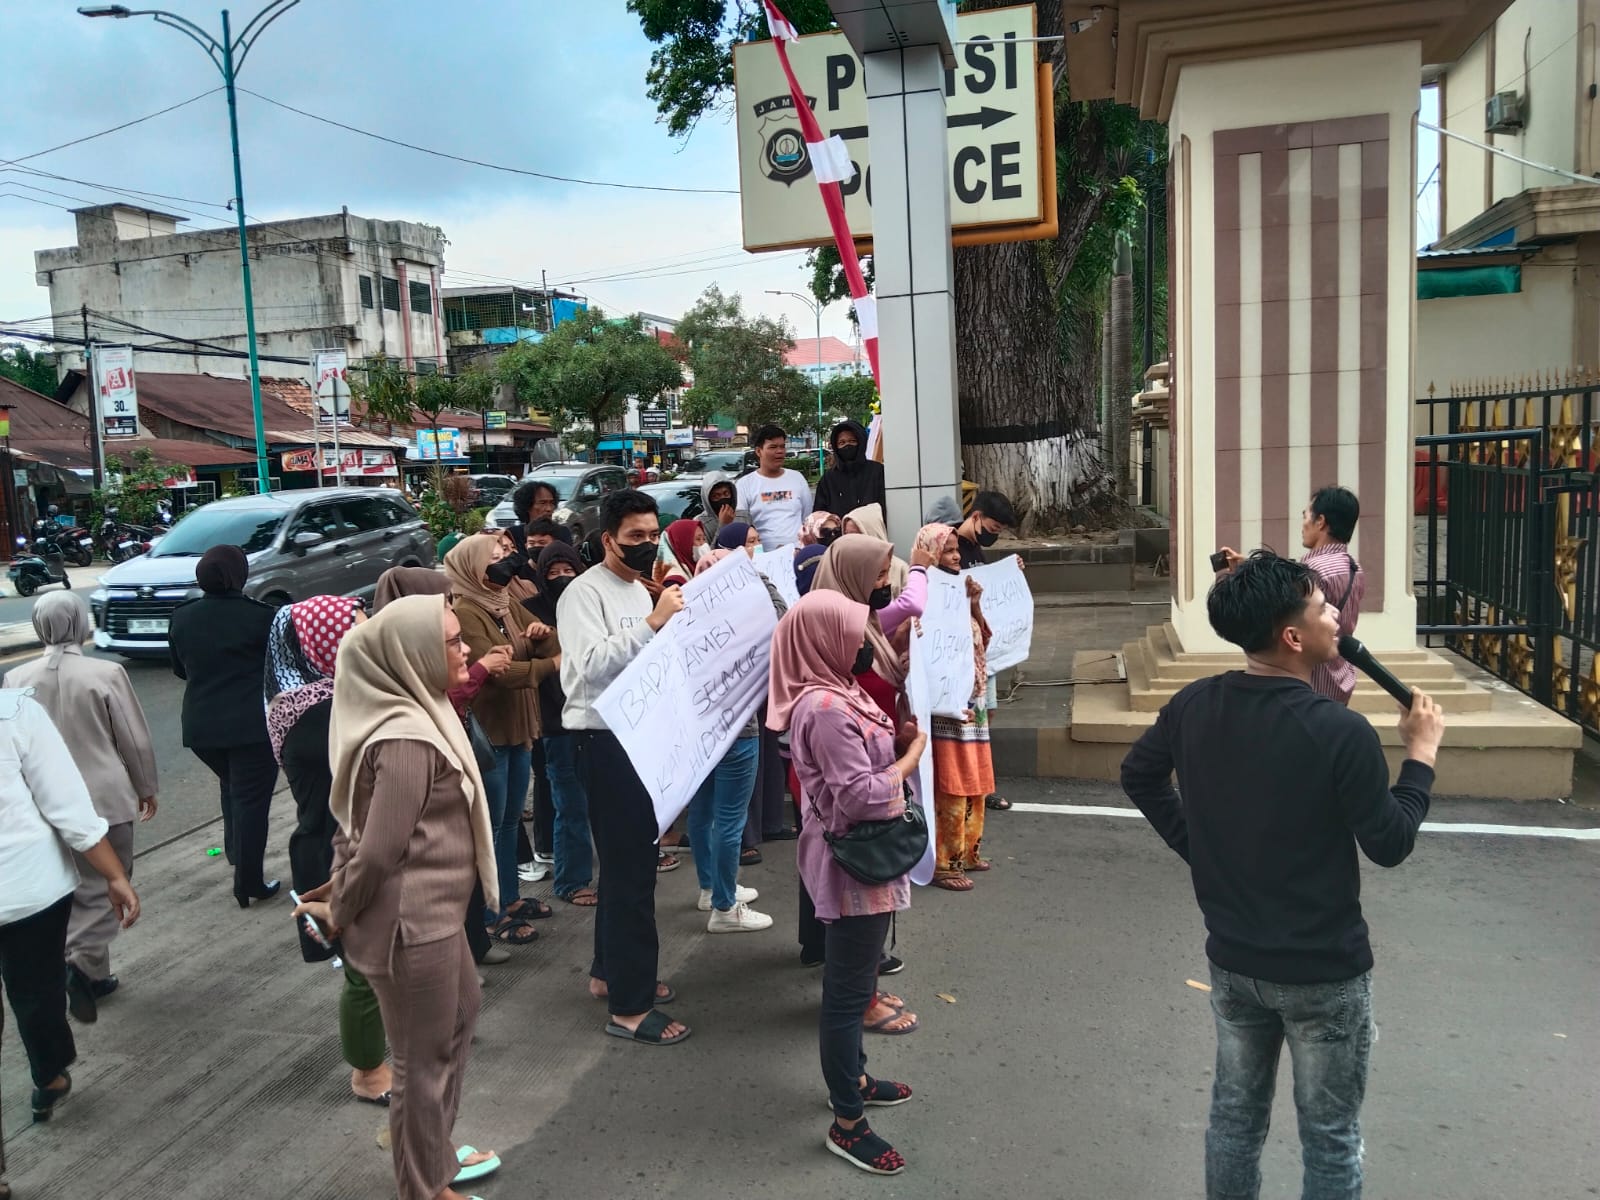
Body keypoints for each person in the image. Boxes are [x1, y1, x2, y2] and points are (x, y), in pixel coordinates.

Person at [1119, 550, 1444, 1200]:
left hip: (1235, 963)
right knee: (1330, 1137)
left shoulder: (1195, 705)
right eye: (1324, 608)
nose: (1336, 619)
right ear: (1293, 636)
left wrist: (1200, 849)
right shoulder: (1338, 732)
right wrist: (1421, 756)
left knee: (1234, 1122)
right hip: (1325, 972)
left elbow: (1139, 775)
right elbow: (1389, 841)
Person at [298, 593, 502, 1200]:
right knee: (422, 1061)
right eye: (452, 640)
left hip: (435, 913)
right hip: (413, 923)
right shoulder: (410, 738)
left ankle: (435, 1159)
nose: (465, 647)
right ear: (413, 656)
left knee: (460, 1019)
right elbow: (380, 850)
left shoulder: (423, 713)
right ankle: (424, 1186)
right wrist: (338, 909)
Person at [768, 590, 926, 1176]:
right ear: (826, 640)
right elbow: (861, 797)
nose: (866, 643)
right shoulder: (826, 709)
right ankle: (847, 1121)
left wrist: (896, 734)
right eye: (857, 633)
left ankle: (855, 1076)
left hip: (865, 859)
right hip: (853, 861)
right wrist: (910, 758)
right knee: (846, 994)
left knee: (856, 983)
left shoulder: (842, 689)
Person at [558, 488, 689, 1045]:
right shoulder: (582, 595)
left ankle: (609, 973)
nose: (646, 544)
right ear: (606, 539)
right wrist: (653, 624)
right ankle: (630, 1009)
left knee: (625, 866)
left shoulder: (641, 589)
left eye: (652, 533)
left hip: (640, 740)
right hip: (603, 742)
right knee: (633, 873)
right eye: (634, 536)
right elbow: (585, 669)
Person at [262, 594, 401, 1107]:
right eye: (355, 632)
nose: (367, 641)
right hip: (337, 859)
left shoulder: (324, 698)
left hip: (348, 847)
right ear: (322, 644)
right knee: (365, 972)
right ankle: (368, 1072)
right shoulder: (321, 715)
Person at [3, 593, 155, 1025]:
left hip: (43, 803)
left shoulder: (16, 679)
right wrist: (145, 787)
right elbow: (134, 739)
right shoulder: (106, 672)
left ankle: (94, 973)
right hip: (106, 798)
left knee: (69, 890)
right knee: (109, 884)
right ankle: (80, 966)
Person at [0, 688, 139, 1129]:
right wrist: (114, 875)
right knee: (35, 988)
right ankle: (49, 1072)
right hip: (26, 887)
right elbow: (67, 806)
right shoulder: (15, 712)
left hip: (27, 887)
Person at [373, 566, 518, 967]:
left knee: (465, 860)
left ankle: (475, 946)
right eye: (442, 600)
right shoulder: (395, 657)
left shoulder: (434, 637)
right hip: (428, 782)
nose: (450, 607)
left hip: (454, 763)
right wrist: (483, 669)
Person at [444, 536, 559, 944]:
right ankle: (490, 914)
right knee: (491, 826)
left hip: (517, 724)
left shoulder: (504, 599)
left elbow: (539, 645)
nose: (505, 563)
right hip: (489, 732)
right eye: (493, 559)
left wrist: (541, 638)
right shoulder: (465, 610)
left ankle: (508, 898)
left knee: (510, 821)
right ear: (472, 568)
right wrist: (548, 662)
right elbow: (499, 672)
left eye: (505, 555)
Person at [168, 544, 280, 908]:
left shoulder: (182, 616)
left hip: (201, 727)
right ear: (239, 575)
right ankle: (249, 883)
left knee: (231, 786)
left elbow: (179, 669)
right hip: (250, 728)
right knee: (251, 801)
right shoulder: (261, 617)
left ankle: (236, 853)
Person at [1221, 486, 1365, 706]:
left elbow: (1279, 611)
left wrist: (1243, 578)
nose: (1303, 524)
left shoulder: (1310, 572)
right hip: (1339, 675)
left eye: (1306, 515)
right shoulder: (1354, 567)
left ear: (1321, 522)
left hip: (1309, 679)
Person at [917, 525, 996, 891]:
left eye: (955, 550)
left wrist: (975, 605)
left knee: (975, 779)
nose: (955, 556)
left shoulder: (959, 591)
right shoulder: (922, 595)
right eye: (947, 550)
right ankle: (943, 863)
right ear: (929, 553)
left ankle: (967, 851)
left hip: (971, 700)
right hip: (945, 708)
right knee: (950, 783)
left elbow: (982, 641)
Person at [520, 540, 596, 906]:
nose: (562, 578)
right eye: (553, 573)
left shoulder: (585, 606)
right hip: (556, 724)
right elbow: (526, 664)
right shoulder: (530, 612)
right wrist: (536, 640)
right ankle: (571, 881)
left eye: (569, 571)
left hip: (595, 718)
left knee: (598, 801)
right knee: (571, 805)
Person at [736, 424, 813, 550]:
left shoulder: (797, 478)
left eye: (782, 446)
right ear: (758, 451)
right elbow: (742, 525)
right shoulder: (744, 485)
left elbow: (807, 517)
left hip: (797, 554)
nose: (779, 451)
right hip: (761, 557)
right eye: (773, 447)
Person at [813, 418, 886, 518]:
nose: (847, 445)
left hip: (872, 532)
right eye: (842, 443)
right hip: (839, 533)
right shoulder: (828, 479)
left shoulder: (877, 472)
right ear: (836, 447)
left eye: (852, 441)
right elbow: (819, 516)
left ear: (861, 442)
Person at [841, 503, 910, 594]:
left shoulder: (900, 568)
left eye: (855, 535)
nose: (850, 540)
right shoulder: (845, 569)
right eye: (846, 535)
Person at [952, 490, 1017, 569]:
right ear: (976, 516)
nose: (994, 536)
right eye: (993, 529)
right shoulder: (950, 547)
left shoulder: (975, 544)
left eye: (999, 532)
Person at [698, 472, 750, 546]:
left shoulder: (744, 516)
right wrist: (723, 525)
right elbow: (708, 554)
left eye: (726, 494)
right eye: (716, 496)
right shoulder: (701, 523)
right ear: (708, 499)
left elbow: (756, 543)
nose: (722, 499)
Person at [661, 518, 706, 585]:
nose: (703, 544)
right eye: (698, 539)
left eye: (704, 539)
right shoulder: (674, 581)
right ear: (684, 543)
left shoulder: (701, 564)